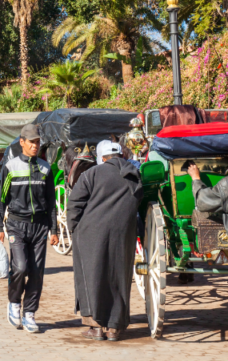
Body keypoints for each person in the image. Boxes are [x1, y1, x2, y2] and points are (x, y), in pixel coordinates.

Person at [67, 140, 143, 341]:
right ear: (120, 155)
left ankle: (96, 327)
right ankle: (114, 328)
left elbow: (74, 204)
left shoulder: (91, 174)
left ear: (102, 158)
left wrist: (74, 229)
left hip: (90, 233)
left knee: (91, 277)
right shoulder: (134, 175)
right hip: (122, 235)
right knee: (118, 277)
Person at [0, 124, 58, 333]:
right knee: (20, 267)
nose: (35, 145)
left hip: (40, 227)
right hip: (16, 225)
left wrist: (54, 230)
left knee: (37, 272)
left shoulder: (45, 168)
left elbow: (51, 202)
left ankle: (29, 312)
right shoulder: (10, 167)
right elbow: (2, 200)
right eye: (31, 142)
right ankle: (14, 303)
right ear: (22, 142)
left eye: (37, 142)